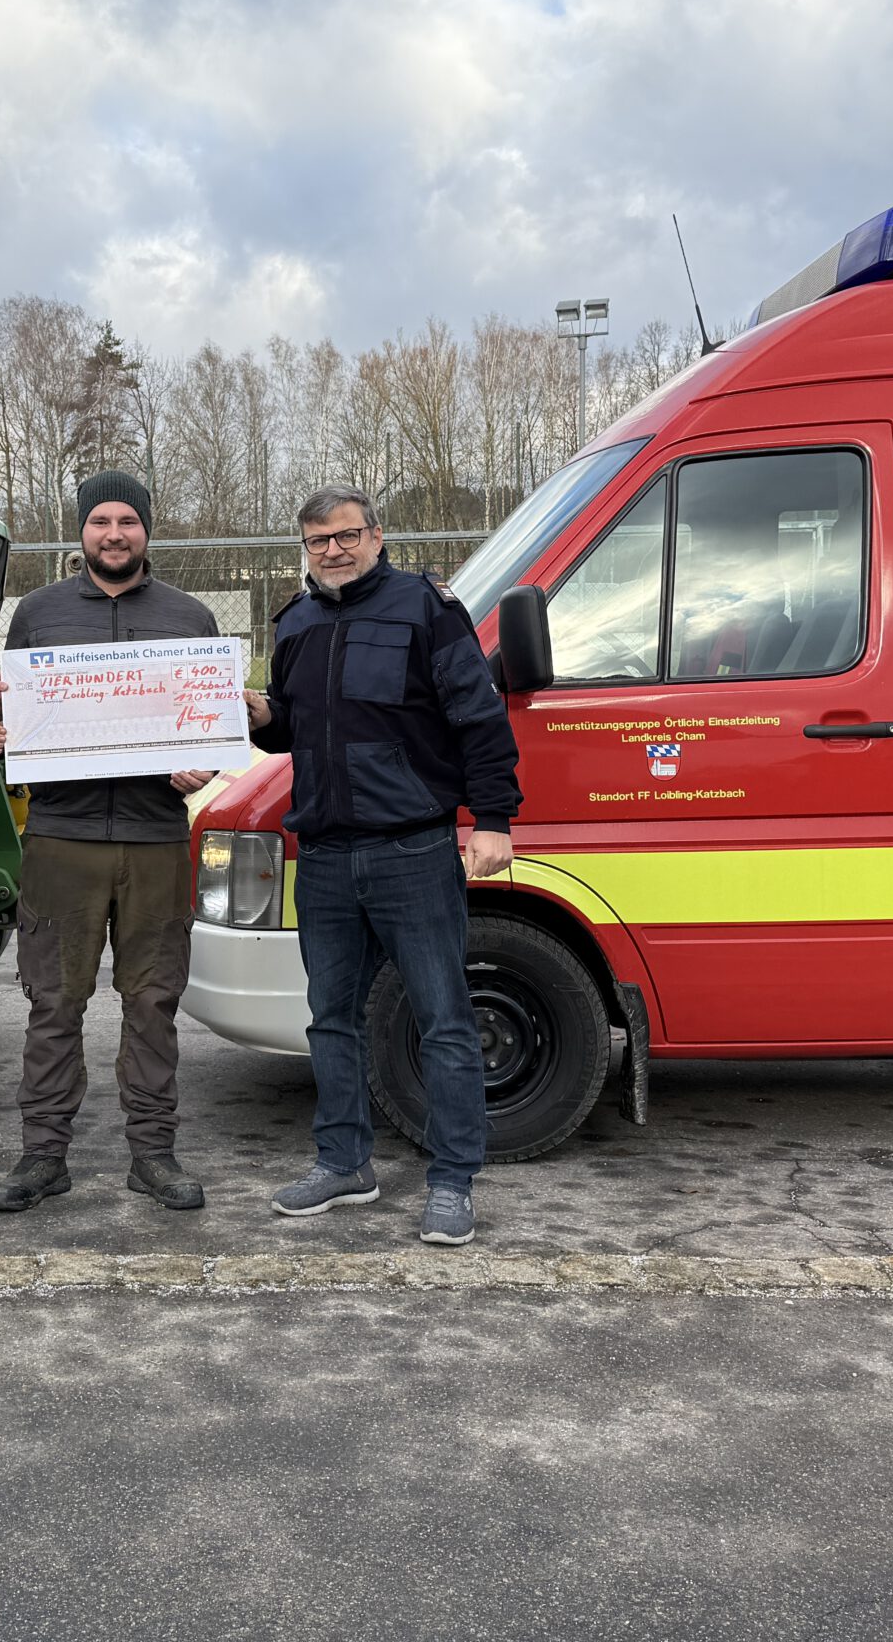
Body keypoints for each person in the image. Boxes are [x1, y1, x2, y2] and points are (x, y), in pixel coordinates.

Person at [245, 485, 520, 1246]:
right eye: (316, 541)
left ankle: (453, 1179)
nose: (332, 550)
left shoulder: (424, 610)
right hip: (326, 854)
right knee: (332, 1019)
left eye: (345, 535)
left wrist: (493, 817)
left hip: (412, 850)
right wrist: (261, 716)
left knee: (444, 1020)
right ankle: (344, 1164)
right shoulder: (295, 622)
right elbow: (292, 728)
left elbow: (477, 714)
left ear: (377, 535)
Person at [0, 470, 219, 1213]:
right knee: (54, 1002)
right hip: (60, 839)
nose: (114, 534)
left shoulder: (189, 618)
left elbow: (207, 720)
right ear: (81, 531)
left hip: (154, 840)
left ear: (148, 529)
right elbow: (11, 717)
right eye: (101, 521)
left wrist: (201, 759)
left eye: (128, 521)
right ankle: (43, 1156)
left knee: (153, 1003)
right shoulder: (39, 616)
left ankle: (153, 1155)